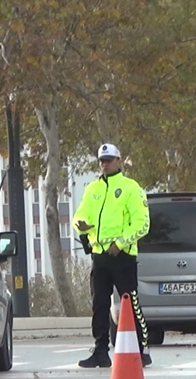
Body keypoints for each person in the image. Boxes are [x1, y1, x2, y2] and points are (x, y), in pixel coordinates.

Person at [73, 143, 152, 367]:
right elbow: (80, 214)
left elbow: (142, 223)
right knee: (99, 304)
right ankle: (100, 350)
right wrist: (81, 226)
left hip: (123, 256)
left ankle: (141, 348)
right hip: (99, 255)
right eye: (101, 161)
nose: (104, 164)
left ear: (119, 161)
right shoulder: (93, 189)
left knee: (130, 302)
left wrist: (120, 243)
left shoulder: (130, 188)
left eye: (108, 160)